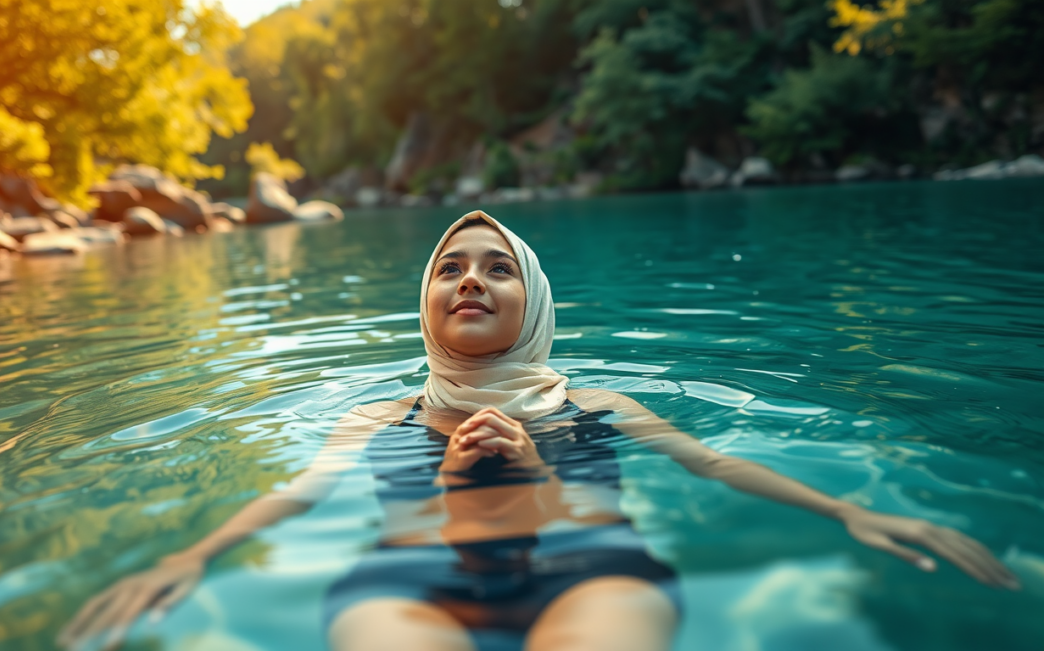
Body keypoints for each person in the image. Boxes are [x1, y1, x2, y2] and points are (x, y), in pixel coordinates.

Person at [58, 210, 1019, 651]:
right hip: (407, 583)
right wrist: (191, 553)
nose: (469, 277)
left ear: (537, 301)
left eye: (497, 267)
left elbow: (716, 463)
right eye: (449, 266)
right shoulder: (377, 415)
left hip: (591, 568)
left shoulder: (600, 408)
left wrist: (848, 511)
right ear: (424, 303)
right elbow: (293, 496)